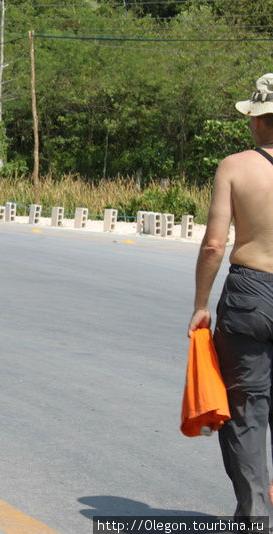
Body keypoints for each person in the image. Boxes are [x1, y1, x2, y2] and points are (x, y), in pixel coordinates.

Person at [188, 73, 273, 524]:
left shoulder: (236, 166)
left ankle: (256, 514)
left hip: (251, 294)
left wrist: (201, 303)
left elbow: (214, 245)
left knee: (246, 410)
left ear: (258, 121)